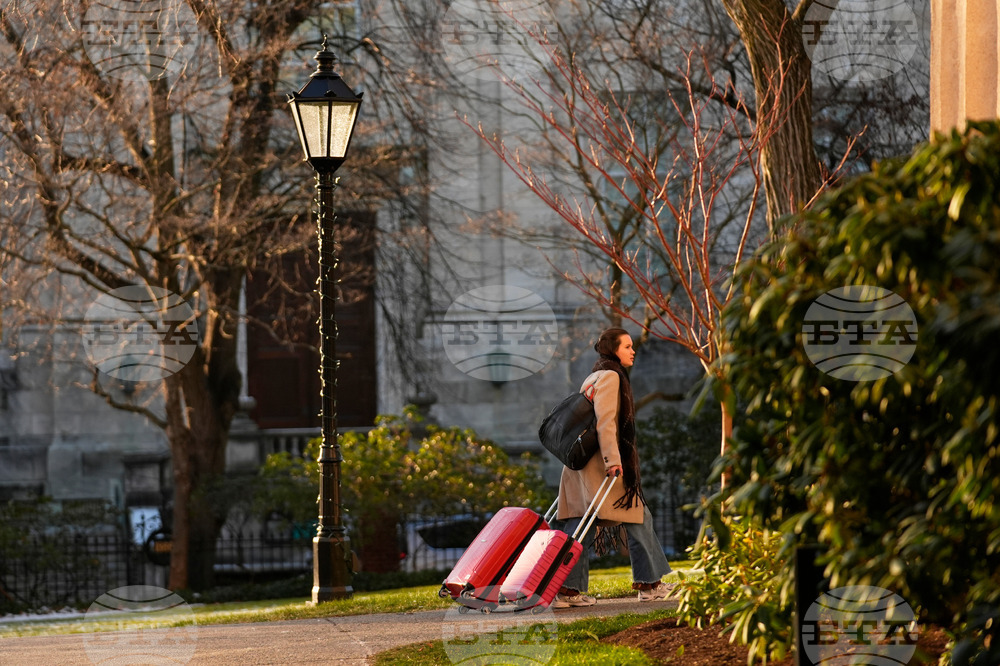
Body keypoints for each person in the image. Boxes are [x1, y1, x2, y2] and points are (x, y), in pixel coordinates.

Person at [551, 327, 673, 607]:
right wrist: (614, 462)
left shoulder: (594, 376)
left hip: (584, 466)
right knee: (634, 517)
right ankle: (647, 585)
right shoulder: (611, 377)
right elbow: (605, 423)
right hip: (601, 466)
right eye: (627, 346)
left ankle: (569, 590)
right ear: (613, 349)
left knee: (582, 522)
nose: (633, 350)